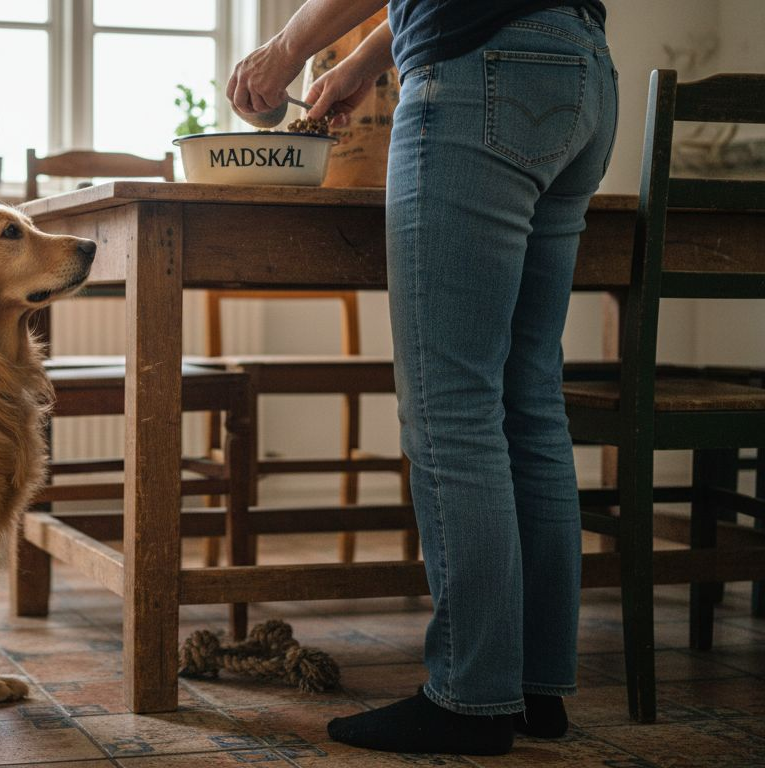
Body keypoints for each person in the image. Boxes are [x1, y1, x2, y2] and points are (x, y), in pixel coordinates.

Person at [229, 0, 617, 757]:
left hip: (481, 76)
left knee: (453, 406)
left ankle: (471, 698)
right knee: (528, 400)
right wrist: (357, 66)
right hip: (581, 68)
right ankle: (535, 688)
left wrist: (285, 47)